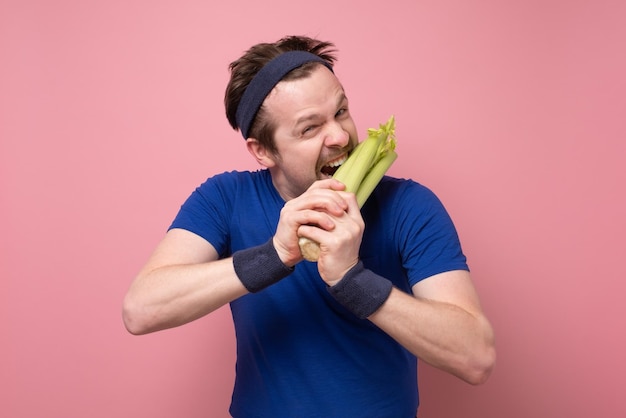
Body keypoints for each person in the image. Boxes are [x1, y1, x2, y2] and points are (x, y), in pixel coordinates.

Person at [122, 35, 496, 418]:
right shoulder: (225, 198)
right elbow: (141, 310)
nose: (340, 137)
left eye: (342, 111)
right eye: (309, 128)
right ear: (263, 151)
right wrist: (276, 255)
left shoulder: (408, 206)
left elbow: (475, 357)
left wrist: (352, 279)